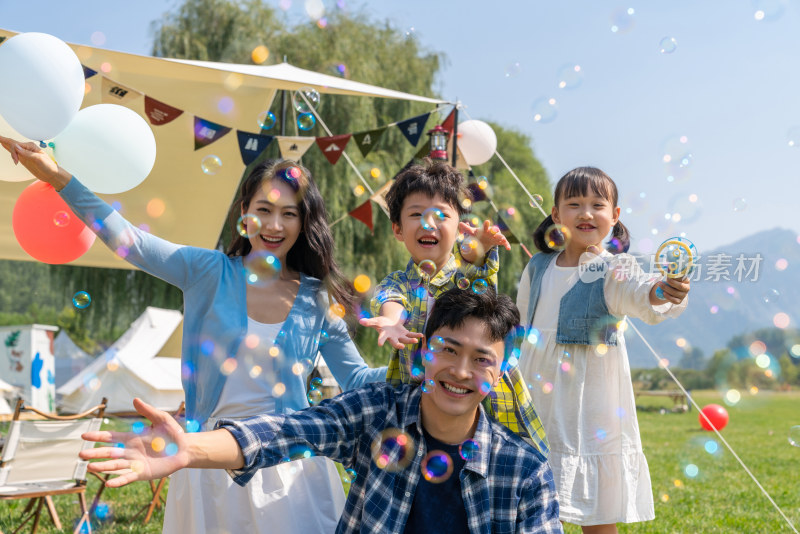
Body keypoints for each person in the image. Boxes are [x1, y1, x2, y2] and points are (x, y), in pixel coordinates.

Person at [0, 136, 386, 533]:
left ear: (304, 222)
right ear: (243, 213)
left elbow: (357, 378)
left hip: (288, 463)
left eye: (289, 214)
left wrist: (420, 363)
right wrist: (57, 176)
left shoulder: (316, 297)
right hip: (205, 461)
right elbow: (130, 242)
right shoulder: (206, 271)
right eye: (263, 210)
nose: (274, 225)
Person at [80, 288, 564, 534]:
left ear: (499, 375)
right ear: (422, 356)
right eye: (449, 350)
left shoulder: (523, 471)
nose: (460, 371)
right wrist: (189, 448)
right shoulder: (378, 416)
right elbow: (288, 431)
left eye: (481, 360)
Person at [517, 167, 691, 533]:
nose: (586, 213)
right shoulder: (537, 267)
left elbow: (643, 293)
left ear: (614, 217)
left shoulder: (613, 269)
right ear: (555, 214)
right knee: (534, 506)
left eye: (598, 205)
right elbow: (518, 323)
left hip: (588, 407)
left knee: (595, 511)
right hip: (537, 397)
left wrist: (663, 290)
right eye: (574, 203)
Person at [359, 159, 549, 455]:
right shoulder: (400, 282)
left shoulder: (466, 275)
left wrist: (481, 250)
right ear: (397, 229)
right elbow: (391, 299)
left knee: (504, 457)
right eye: (416, 214)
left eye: (440, 215)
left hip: (478, 390)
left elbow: (483, 289)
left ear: (460, 226)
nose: (428, 224)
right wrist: (392, 321)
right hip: (422, 399)